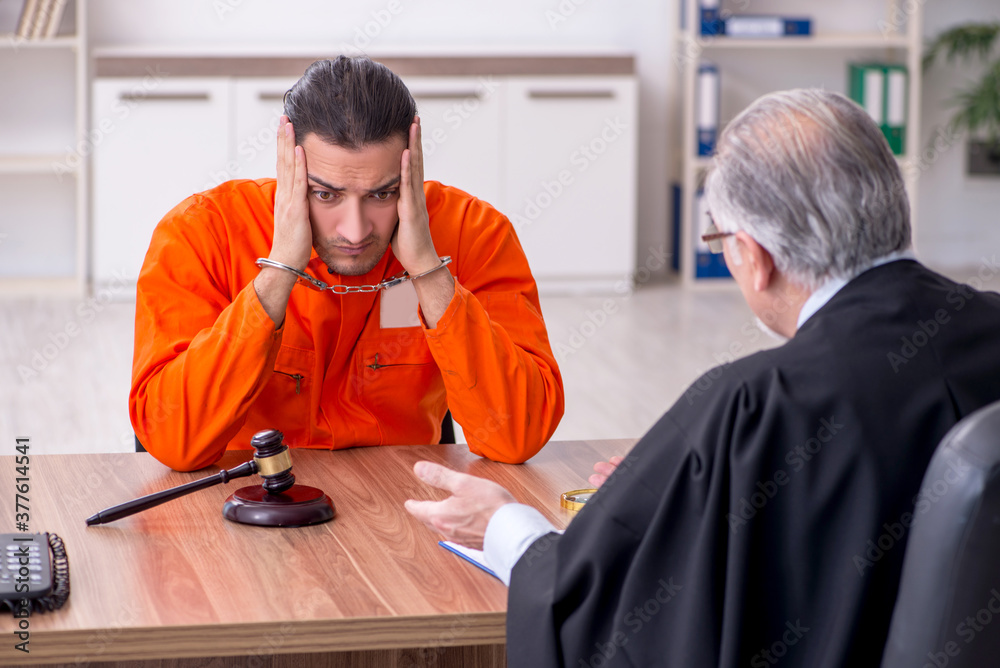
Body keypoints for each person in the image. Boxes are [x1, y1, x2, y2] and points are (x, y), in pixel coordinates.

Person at [404, 88, 1000, 667]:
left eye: (720, 241)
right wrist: (692, 492)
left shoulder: (752, 408)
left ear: (754, 256)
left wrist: (505, 526)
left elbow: (595, 610)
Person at [129, 56, 564, 472]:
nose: (355, 232)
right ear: (288, 166)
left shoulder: (475, 233)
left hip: (405, 502)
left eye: (382, 194)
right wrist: (279, 270)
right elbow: (174, 443)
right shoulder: (201, 232)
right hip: (245, 499)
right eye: (326, 194)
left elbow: (518, 437)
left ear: (412, 167)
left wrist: (429, 272)